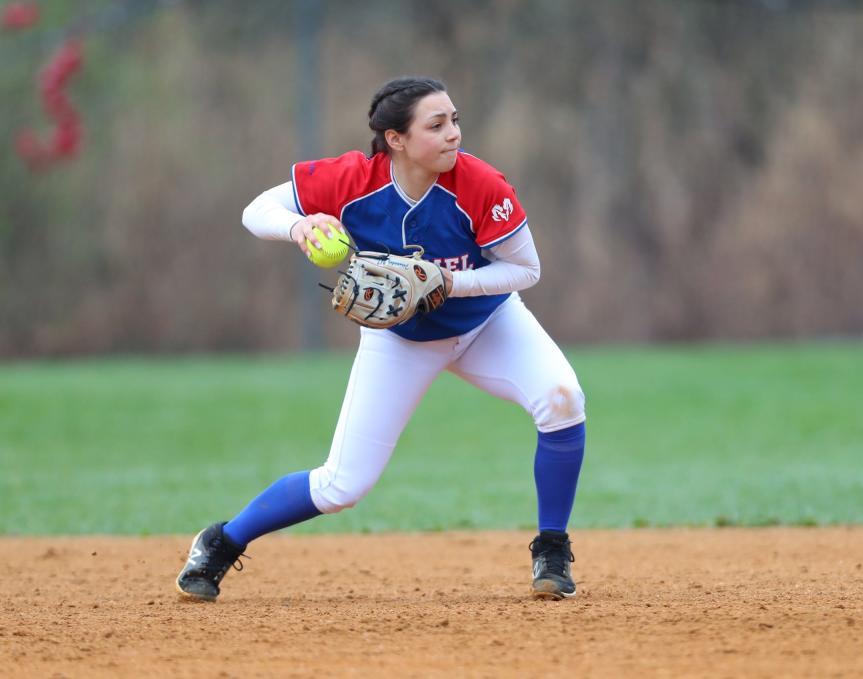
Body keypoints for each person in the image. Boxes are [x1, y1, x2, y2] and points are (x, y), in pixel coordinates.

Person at [175, 77, 586, 601]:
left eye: (454, 120)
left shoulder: (481, 185)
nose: (453, 134)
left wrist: (449, 282)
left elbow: (526, 269)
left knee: (563, 400)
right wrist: (297, 228)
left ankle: (551, 547)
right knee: (342, 485)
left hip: (487, 324)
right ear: (396, 139)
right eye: (436, 125)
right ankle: (221, 542)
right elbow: (256, 211)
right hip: (400, 340)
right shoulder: (352, 180)